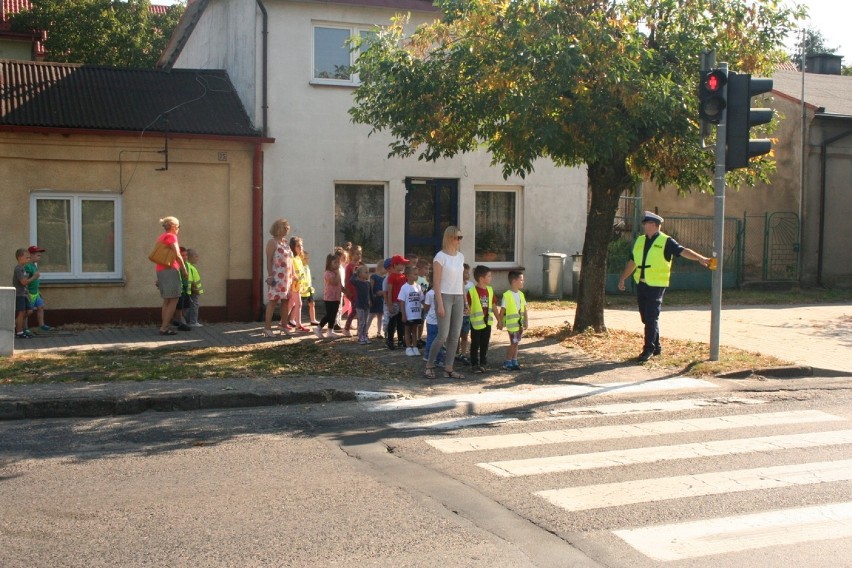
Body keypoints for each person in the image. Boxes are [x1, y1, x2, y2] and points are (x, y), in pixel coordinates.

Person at [618, 211, 711, 361]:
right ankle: (657, 346)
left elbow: (683, 251)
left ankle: (648, 349)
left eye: (646, 223)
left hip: (656, 284)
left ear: (654, 225)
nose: (644, 226)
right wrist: (623, 278)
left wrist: (700, 258)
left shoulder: (666, 241)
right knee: (645, 317)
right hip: (641, 284)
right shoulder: (640, 240)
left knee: (651, 317)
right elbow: (632, 261)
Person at [424, 226, 466, 380]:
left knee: (455, 336)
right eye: (457, 237)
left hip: (458, 297)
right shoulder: (440, 257)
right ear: (450, 238)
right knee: (442, 335)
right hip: (444, 296)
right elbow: (436, 282)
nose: (460, 240)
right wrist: (440, 303)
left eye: (461, 237)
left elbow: (461, 279)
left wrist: (465, 300)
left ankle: (449, 368)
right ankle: (429, 364)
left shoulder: (460, 257)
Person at [154, 216, 188, 336]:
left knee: (167, 300)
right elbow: (177, 254)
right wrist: (184, 269)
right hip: (170, 270)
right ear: (173, 226)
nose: (178, 229)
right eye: (178, 226)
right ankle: (164, 328)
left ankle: (165, 326)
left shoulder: (161, 237)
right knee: (174, 299)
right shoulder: (171, 236)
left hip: (160, 269)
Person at [263, 218, 294, 338]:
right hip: (276, 276)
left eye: (287, 227)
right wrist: (270, 275)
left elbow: (290, 260)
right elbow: (269, 260)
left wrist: (294, 274)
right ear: (277, 228)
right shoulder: (272, 242)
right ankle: (267, 328)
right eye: (283, 227)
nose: (286, 229)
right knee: (273, 301)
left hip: (287, 277)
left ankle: (284, 325)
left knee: (286, 301)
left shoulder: (285, 242)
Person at [468, 265, 498, 373]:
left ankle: (483, 362)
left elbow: (493, 305)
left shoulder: (490, 290)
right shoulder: (472, 291)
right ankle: (474, 364)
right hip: (476, 323)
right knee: (475, 343)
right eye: (489, 276)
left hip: (487, 322)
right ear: (481, 278)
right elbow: (469, 307)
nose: (491, 278)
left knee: (485, 343)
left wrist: (498, 319)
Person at [497, 270, 528, 370]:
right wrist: (500, 321)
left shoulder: (521, 295)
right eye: (521, 280)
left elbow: (524, 309)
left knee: (516, 343)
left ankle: (514, 360)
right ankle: (508, 361)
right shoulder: (507, 295)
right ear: (514, 281)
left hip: (519, 324)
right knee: (513, 343)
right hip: (512, 324)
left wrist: (526, 321)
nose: (523, 282)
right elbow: (502, 310)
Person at [397, 265, 423, 356]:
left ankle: (415, 347)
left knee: (415, 330)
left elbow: (421, 299)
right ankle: (408, 347)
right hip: (408, 314)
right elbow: (402, 302)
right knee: (407, 330)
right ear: (407, 275)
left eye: (417, 274)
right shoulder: (404, 287)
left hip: (417, 314)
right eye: (415, 274)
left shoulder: (418, 287)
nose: (417, 276)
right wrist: (403, 314)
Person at [314, 253, 342, 339]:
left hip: (336, 297)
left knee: (333, 315)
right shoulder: (328, 273)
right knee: (329, 315)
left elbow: (340, 283)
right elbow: (334, 282)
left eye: (338, 262)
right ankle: (318, 328)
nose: (337, 264)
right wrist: (338, 273)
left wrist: (345, 291)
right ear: (329, 263)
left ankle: (330, 331)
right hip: (329, 298)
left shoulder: (336, 273)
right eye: (335, 262)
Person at [384, 254, 409, 350]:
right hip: (394, 302)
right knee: (392, 322)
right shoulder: (391, 277)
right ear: (395, 265)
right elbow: (389, 291)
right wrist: (389, 304)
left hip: (402, 302)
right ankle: (390, 340)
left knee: (401, 322)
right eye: (401, 264)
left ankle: (400, 340)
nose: (403, 266)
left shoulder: (403, 276)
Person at [24, 245, 51, 331]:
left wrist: (38, 291)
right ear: (31, 255)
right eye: (38, 255)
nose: (39, 257)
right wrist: (26, 291)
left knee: (40, 307)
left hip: (35, 292)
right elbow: (25, 280)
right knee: (28, 311)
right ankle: (24, 327)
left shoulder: (34, 265)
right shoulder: (27, 266)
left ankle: (41, 325)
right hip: (30, 293)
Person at [422, 273, 446, 367]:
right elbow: (426, 307)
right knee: (434, 339)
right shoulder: (431, 293)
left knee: (434, 339)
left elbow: (426, 307)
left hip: (435, 320)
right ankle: (434, 358)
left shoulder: (430, 293)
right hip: (433, 321)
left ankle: (430, 356)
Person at [287, 237, 310, 332]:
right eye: (298, 246)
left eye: (301, 245)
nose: (301, 247)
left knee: (291, 304)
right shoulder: (292, 259)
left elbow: (302, 272)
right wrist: (294, 278)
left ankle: (281, 322)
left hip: (299, 285)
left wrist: (304, 284)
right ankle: (298, 325)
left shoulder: (298, 258)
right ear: (293, 247)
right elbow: (291, 272)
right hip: (294, 285)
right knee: (299, 303)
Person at [13, 248, 35, 339]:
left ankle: (15, 324)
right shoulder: (18, 269)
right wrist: (34, 277)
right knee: (21, 313)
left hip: (24, 294)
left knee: (29, 311)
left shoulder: (23, 268)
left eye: (29, 258)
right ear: (20, 257)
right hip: (19, 294)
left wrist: (28, 293)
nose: (28, 259)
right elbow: (23, 282)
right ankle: (19, 332)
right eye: (27, 257)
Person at [455, 263, 474, 366]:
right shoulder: (456, 284)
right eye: (466, 272)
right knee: (456, 335)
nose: (468, 274)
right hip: (458, 313)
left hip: (467, 314)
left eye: (468, 272)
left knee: (465, 335)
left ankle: (463, 353)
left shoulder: (471, 285)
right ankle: (455, 353)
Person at [343, 245, 363, 336]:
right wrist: (348, 291)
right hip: (353, 292)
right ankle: (346, 328)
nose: (359, 256)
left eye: (360, 254)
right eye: (357, 254)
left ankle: (360, 330)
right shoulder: (350, 266)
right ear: (351, 255)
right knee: (355, 310)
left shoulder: (359, 265)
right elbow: (347, 280)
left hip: (360, 292)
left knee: (360, 310)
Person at [172, 246, 193, 331]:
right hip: (179, 289)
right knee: (179, 307)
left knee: (186, 306)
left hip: (186, 289)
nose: (185, 257)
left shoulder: (187, 265)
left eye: (186, 255)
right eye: (183, 255)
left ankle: (179, 320)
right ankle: (180, 322)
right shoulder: (176, 265)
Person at [351, 264, 373, 345]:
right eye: (366, 272)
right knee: (362, 322)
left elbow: (370, 294)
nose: (368, 274)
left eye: (368, 272)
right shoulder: (357, 282)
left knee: (366, 322)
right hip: (360, 305)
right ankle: (360, 337)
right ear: (359, 274)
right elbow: (351, 280)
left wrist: (371, 301)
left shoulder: (368, 283)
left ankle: (365, 335)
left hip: (366, 305)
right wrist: (354, 273)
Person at [185, 248, 204, 327]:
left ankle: (189, 321)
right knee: (194, 305)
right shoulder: (190, 267)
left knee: (191, 306)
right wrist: (195, 289)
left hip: (192, 290)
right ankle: (193, 322)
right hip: (192, 291)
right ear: (190, 257)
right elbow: (191, 280)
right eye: (196, 256)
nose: (197, 258)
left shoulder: (190, 267)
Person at [301, 247, 319, 326]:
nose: (307, 260)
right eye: (304, 258)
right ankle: (292, 320)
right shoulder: (300, 267)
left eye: (307, 258)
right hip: (301, 289)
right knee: (297, 305)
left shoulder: (307, 267)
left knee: (312, 303)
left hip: (308, 288)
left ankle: (313, 319)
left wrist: (311, 286)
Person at [369, 259, 386, 338]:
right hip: (374, 299)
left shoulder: (385, 278)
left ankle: (379, 332)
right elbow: (371, 288)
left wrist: (383, 293)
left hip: (381, 299)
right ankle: (365, 331)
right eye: (385, 268)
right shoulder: (374, 276)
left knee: (380, 315)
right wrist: (371, 297)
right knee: (371, 315)